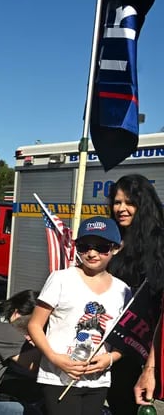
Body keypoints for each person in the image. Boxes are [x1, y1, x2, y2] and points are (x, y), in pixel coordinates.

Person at [27, 217, 129, 415]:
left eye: (101, 247)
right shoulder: (61, 278)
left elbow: (125, 338)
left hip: (98, 381)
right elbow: (35, 325)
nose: (92, 253)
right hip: (58, 378)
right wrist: (55, 358)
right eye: (84, 246)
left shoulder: (122, 290)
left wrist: (111, 358)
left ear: (115, 248)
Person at [104, 175, 164, 411]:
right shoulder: (110, 239)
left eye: (129, 203)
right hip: (108, 339)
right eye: (117, 202)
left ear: (143, 204)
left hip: (138, 345)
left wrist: (151, 366)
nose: (121, 209)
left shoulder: (158, 242)